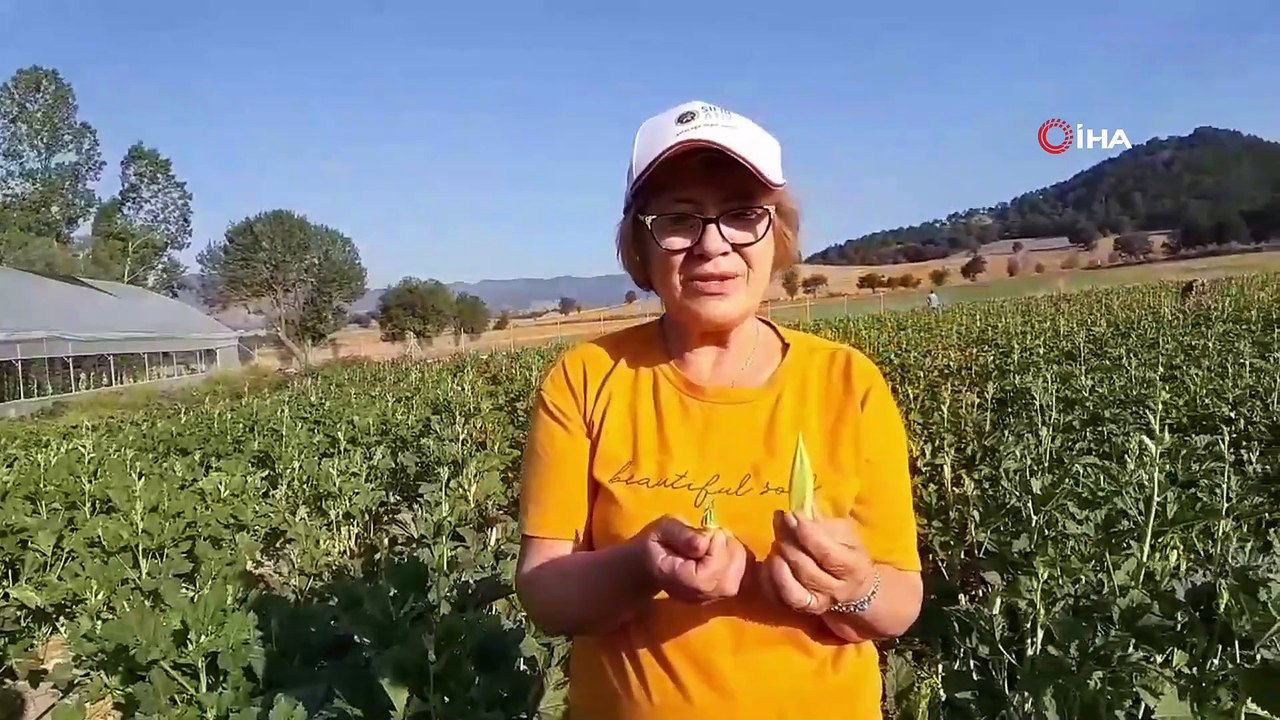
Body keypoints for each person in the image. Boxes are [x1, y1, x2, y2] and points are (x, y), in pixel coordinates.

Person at [514, 100, 923, 720]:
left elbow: (899, 602)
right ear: (640, 244)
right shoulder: (585, 379)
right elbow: (546, 592)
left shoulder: (847, 383)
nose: (712, 244)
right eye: (679, 220)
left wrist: (851, 587)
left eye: (742, 215)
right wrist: (641, 565)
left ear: (777, 234)